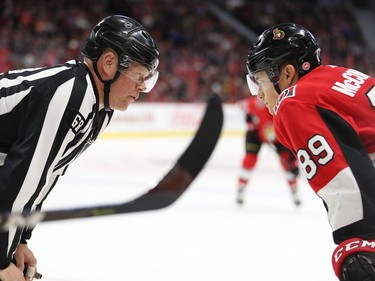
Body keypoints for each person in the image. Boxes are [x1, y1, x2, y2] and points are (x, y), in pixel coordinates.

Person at [0, 15, 159, 281]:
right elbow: (24, 178)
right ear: (109, 64)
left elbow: (46, 175)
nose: (143, 87)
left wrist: (20, 240)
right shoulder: (69, 90)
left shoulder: (100, 110)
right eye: (139, 75)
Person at [246, 22, 375, 281]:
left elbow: (344, 178)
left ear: (287, 73)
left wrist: (359, 243)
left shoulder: (294, 101)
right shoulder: (338, 74)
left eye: (259, 81)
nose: (259, 94)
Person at [236, 96, 301, 206]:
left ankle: (294, 191)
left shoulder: (284, 106)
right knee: (249, 160)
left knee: (287, 162)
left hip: (278, 136)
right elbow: (241, 105)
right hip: (256, 134)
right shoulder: (256, 103)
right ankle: (241, 189)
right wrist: (249, 119)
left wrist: (293, 163)